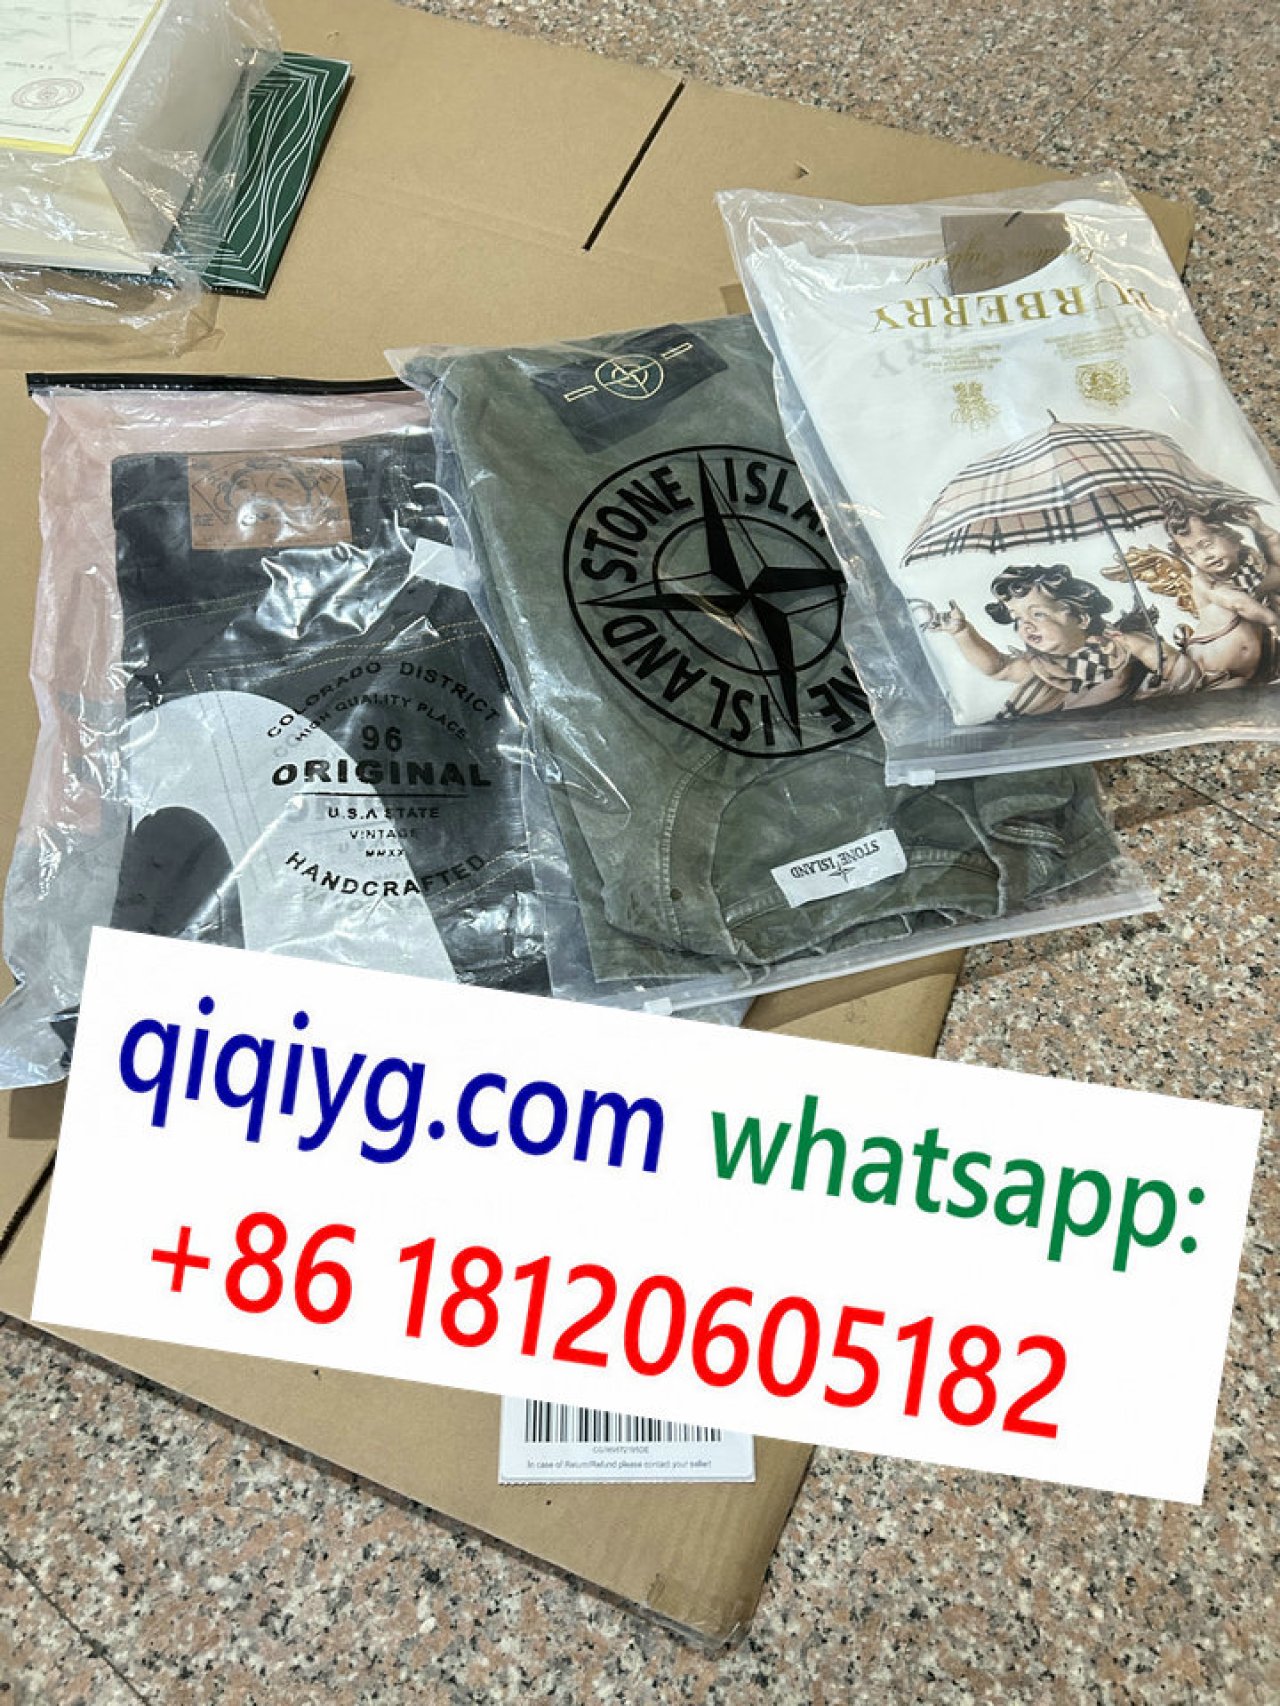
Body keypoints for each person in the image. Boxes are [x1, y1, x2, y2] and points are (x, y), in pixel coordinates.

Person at [924, 563, 1201, 717]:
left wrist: (1158, 683)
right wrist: (962, 632)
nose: (1026, 625)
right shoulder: (1046, 668)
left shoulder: (1122, 646)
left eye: (1038, 614)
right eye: (1017, 618)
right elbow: (998, 668)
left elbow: (1179, 670)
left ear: (1081, 618)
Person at [1161, 498, 1280, 686]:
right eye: (1191, 553)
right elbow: (1238, 602)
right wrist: (1272, 620)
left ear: (1234, 541)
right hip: (1211, 673)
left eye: (1207, 545)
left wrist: (1262, 530)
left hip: (1252, 673)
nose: (1205, 556)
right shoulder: (1203, 581)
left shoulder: (1250, 575)